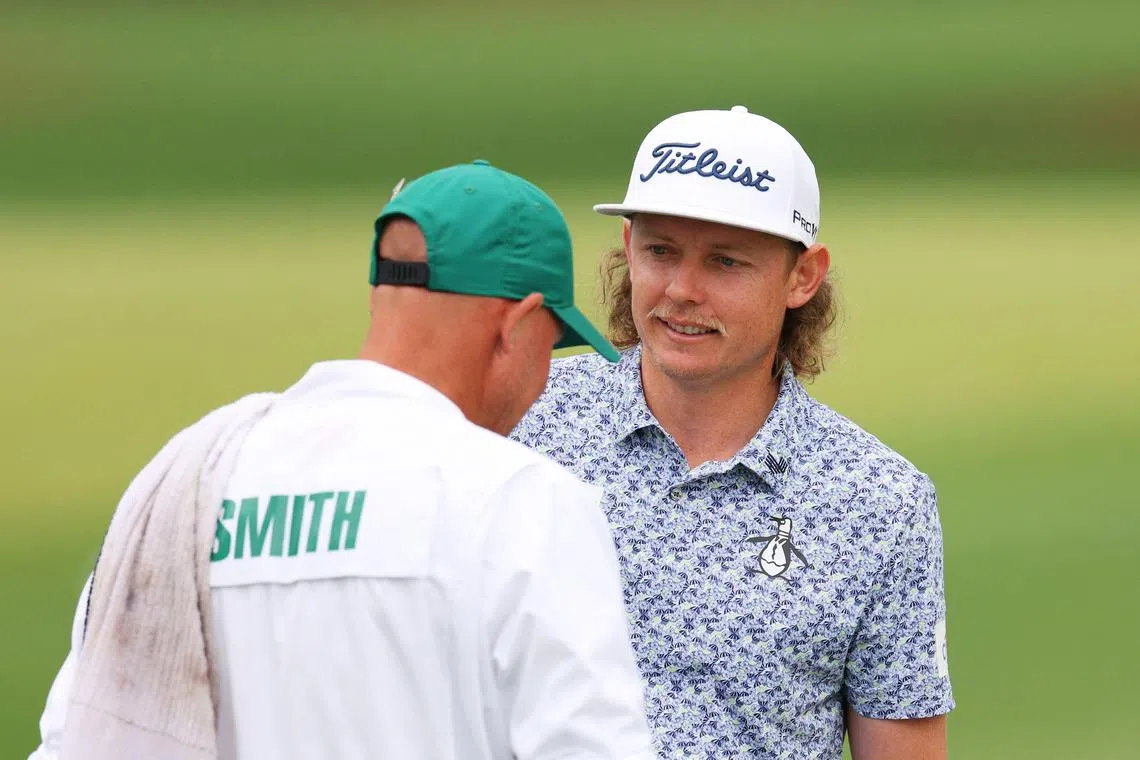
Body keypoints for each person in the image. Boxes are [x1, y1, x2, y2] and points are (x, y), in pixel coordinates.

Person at [30, 160, 657, 760]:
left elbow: (71, 739)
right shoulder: (523, 499)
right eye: (550, 345)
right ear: (516, 326)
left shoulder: (185, 479)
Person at [511, 106, 955, 759]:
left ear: (802, 275)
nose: (683, 290)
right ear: (628, 246)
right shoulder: (523, 420)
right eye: (661, 251)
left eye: (725, 262)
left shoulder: (881, 502)